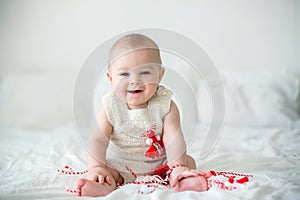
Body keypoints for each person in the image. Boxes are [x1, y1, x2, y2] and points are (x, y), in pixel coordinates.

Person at [76, 34, 212, 197]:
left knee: (188, 162)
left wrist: (177, 166)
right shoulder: (109, 107)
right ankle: (103, 186)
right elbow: (97, 140)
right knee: (105, 172)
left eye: (145, 72)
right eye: (124, 74)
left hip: (160, 165)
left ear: (160, 75)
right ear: (111, 79)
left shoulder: (165, 105)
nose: (134, 80)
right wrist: (96, 167)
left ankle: (180, 180)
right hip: (120, 166)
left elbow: (174, 139)